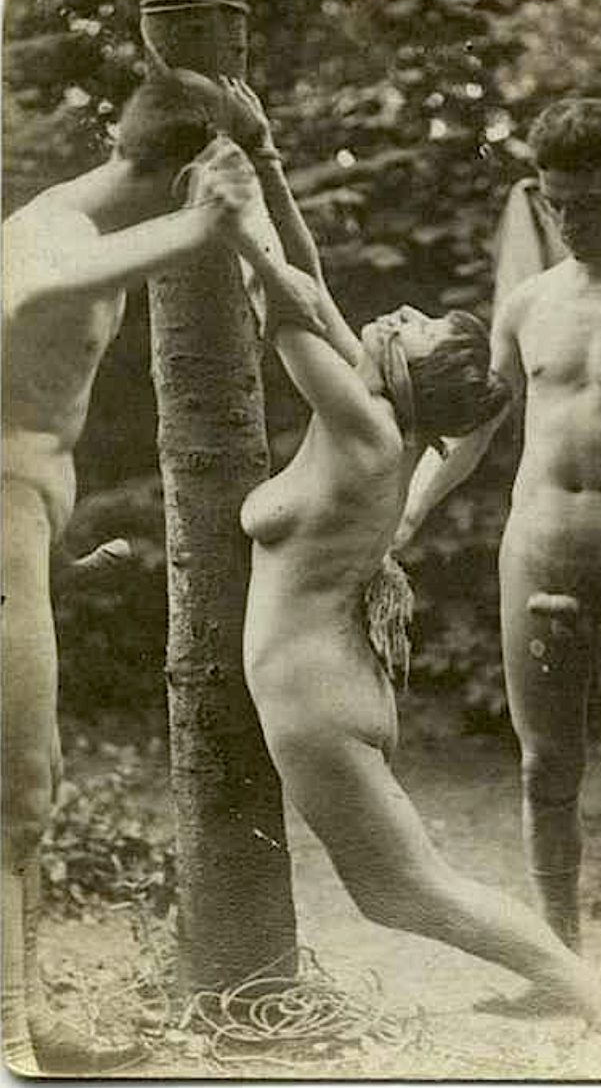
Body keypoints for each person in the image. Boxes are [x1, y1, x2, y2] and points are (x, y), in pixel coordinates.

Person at [210, 81, 601, 1034]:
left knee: (414, 890)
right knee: (399, 892)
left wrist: (234, 219)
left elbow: (282, 299)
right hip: (333, 689)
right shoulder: (379, 422)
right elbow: (310, 284)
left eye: (410, 328)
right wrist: (268, 157)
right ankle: (598, 997)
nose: (396, 315)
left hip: (317, 704)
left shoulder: (364, 432)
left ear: (407, 378)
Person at [1, 68, 322, 1076]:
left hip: (24, 521)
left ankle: (23, 1018)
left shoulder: (99, 227)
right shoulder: (52, 231)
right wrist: (198, 226)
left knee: (30, 781)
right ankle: (13, 1043)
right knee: (20, 786)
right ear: (188, 178)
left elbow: (298, 288)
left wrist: (257, 159)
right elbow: (28, 292)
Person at [392, 97, 601, 1015]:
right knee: (542, 767)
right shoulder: (529, 303)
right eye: (556, 203)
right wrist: (407, 514)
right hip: (536, 548)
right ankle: (559, 970)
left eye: (589, 203)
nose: (570, 221)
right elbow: (476, 431)